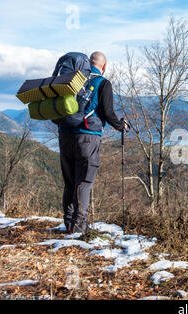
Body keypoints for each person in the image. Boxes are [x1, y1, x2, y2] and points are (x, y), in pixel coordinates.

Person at [58, 51, 127, 234]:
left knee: (70, 182)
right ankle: (80, 227)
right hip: (88, 137)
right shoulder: (103, 83)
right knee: (84, 182)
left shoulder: (74, 81)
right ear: (104, 66)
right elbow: (108, 112)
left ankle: (69, 224)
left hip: (65, 135)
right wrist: (121, 126)